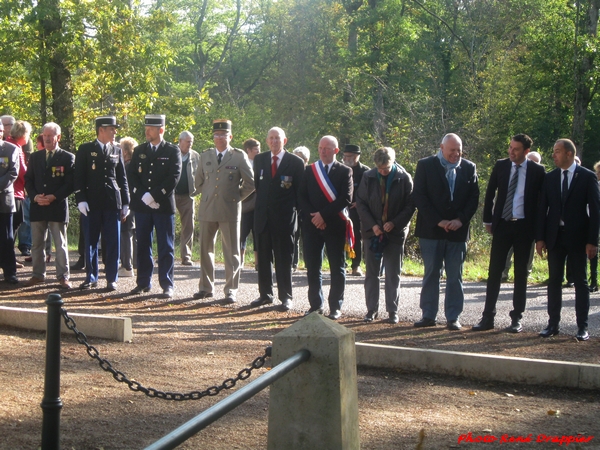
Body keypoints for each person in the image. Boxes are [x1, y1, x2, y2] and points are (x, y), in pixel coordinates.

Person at [473, 134, 546, 333]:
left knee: (521, 273)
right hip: (503, 225)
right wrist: (488, 219)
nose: (511, 152)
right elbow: (490, 193)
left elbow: (542, 204)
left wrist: (540, 234)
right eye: (510, 147)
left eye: (515, 149)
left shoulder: (537, 171)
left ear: (526, 151)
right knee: (494, 271)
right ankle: (488, 316)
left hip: (524, 227)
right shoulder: (501, 165)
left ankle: (516, 318)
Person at [535, 139, 600, 341]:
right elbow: (542, 209)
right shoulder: (550, 177)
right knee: (554, 281)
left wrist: (592, 241)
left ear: (569, 154)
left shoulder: (587, 177)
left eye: (557, 152)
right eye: (553, 151)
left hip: (578, 238)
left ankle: (582, 327)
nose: (553, 155)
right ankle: (553, 324)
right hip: (555, 236)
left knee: (580, 281)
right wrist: (540, 238)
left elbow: (596, 212)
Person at [413, 133, 479, 330]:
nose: (456, 154)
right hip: (432, 230)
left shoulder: (469, 168)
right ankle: (428, 315)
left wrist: (460, 220)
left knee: (455, 275)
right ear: (441, 147)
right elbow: (419, 196)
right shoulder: (425, 165)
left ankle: (453, 317)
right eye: (452, 150)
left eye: (459, 150)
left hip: (457, 232)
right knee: (431, 272)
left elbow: (473, 198)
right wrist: (439, 221)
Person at [194, 119, 254, 303]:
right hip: (207, 208)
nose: (219, 138)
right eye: (216, 135)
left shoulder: (238, 156)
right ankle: (205, 287)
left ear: (230, 136)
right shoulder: (206, 155)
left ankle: (230, 290)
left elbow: (250, 183)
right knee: (205, 250)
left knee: (231, 252)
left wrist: (235, 197)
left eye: (223, 135)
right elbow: (198, 181)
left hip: (229, 209)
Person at [356, 147, 415, 323]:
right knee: (371, 273)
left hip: (395, 232)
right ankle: (371, 310)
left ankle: (392, 311)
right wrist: (373, 225)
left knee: (392, 272)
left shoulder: (404, 178)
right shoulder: (368, 176)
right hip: (372, 232)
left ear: (393, 162)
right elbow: (361, 203)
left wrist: (394, 223)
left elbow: (410, 206)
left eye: (386, 168)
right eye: (380, 169)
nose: (383, 172)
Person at [250, 127, 305, 311]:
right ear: (266, 141)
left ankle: (286, 297)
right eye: (271, 138)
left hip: (284, 221)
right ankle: (265, 294)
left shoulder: (295, 162)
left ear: (285, 140)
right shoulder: (259, 159)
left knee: (283, 261)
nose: (274, 141)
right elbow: (259, 187)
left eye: (277, 138)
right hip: (263, 219)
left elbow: (299, 193)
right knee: (264, 260)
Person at [298, 135, 353, 320]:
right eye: (321, 148)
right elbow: (301, 197)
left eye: (327, 148)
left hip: (334, 226)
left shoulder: (345, 171)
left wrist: (324, 215)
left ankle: (335, 307)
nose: (323, 151)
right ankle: (315, 305)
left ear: (336, 151)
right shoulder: (309, 170)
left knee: (337, 268)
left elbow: (346, 198)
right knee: (313, 267)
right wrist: (315, 217)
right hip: (312, 226)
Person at [127, 114, 181, 298]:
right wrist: (144, 195)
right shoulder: (140, 150)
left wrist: (155, 196)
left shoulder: (172, 151)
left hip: (163, 206)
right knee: (143, 244)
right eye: (146, 128)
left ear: (161, 130)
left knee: (165, 246)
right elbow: (132, 175)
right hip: (143, 205)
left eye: (150, 129)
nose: (146, 132)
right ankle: (143, 282)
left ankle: (167, 284)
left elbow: (173, 177)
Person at [74, 116, 130, 291]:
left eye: (115, 129)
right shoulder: (85, 149)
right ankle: (91, 277)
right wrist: (80, 199)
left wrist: (126, 202)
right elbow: (79, 178)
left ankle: (111, 278)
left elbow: (122, 178)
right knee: (90, 241)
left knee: (113, 241)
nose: (115, 132)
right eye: (111, 129)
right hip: (91, 202)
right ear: (101, 130)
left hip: (112, 202)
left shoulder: (117, 150)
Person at [24, 122, 75, 289]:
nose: (46, 138)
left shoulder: (67, 158)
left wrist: (54, 197)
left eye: (50, 136)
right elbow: (28, 180)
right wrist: (34, 196)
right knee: (37, 244)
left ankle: (63, 276)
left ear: (58, 137)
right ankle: (38, 274)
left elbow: (70, 184)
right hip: (38, 206)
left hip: (57, 207)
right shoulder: (35, 157)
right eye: (44, 135)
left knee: (60, 244)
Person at [501, 151, 543, 281]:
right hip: (508, 220)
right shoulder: (511, 172)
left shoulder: (539, 178)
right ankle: (503, 272)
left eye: (536, 162)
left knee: (527, 252)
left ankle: (526, 272)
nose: (533, 164)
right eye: (532, 161)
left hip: (528, 223)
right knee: (507, 250)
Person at [342, 144, 370, 277]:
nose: (346, 158)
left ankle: (356, 265)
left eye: (350, 156)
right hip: (341, 209)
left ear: (357, 156)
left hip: (358, 210)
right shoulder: (340, 169)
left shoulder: (366, 172)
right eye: (345, 156)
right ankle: (341, 264)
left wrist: (359, 203)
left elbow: (370, 192)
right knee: (339, 236)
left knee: (356, 236)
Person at [175, 131, 201, 266]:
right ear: (180, 141)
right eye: (188, 141)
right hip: (171, 195)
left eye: (191, 141)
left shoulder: (196, 156)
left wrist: (198, 190)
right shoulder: (172, 153)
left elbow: (201, 175)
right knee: (167, 224)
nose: (190, 144)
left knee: (188, 226)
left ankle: (186, 256)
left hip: (188, 196)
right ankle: (165, 254)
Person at [0, 132, 19, 284]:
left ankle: (9, 272)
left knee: (6, 238)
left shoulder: (11, 149)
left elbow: (13, 173)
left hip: (4, 200)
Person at [239, 138, 261, 269]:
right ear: (248, 150)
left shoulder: (262, 163)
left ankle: (258, 262)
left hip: (258, 205)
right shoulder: (242, 163)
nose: (259, 151)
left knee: (257, 233)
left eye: (259, 149)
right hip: (245, 205)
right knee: (242, 233)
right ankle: (240, 261)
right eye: (256, 149)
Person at [119, 137, 137, 277]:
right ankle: (135, 262)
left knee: (126, 234)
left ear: (125, 151)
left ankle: (127, 266)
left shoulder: (127, 168)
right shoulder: (136, 166)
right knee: (133, 234)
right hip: (137, 205)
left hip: (129, 205)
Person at [292, 146, 310, 270]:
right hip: (294, 209)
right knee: (294, 236)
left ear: (306, 159)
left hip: (308, 210)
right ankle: (293, 263)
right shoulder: (290, 171)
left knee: (307, 237)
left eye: (299, 158)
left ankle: (309, 263)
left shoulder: (310, 172)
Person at [589, 160, 600, 292]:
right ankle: (594, 281)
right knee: (593, 253)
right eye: (597, 172)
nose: (598, 174)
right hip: (594, 222)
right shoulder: (594, 185)